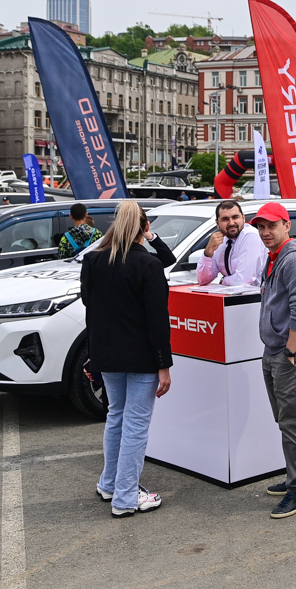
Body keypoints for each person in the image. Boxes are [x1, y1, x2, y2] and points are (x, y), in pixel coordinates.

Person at [81, 201, 172, 517]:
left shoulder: (93, 261)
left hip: (107, 354)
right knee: (134, 424)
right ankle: (125, 496)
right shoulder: (148, 265)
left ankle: (111, 484)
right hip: (140, 356)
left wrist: (93, 356)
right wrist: (164, 365)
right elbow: (158, 320)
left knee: (117, 417)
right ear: (144, 229)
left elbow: (90, 311)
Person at [250, 202, 296, 519]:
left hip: (290, 351)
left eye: (271, 226)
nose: (265, 232)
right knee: (284, 417)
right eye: (261, 227)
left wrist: (290, 349)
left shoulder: (292, 260)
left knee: (291, 421)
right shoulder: (274, 257)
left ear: (286, 226)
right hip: (276, 349)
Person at [197, 200, 267, 286]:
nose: (231, 223)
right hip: (229, 296)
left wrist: (223, 281)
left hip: (255, 297)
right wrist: (208, 252)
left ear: (243, 218)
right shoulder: (219, 240)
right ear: (217, 223)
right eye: (225, 219)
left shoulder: (250, 235)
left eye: (235, 217)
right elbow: (202, 280)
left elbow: (242, 281)